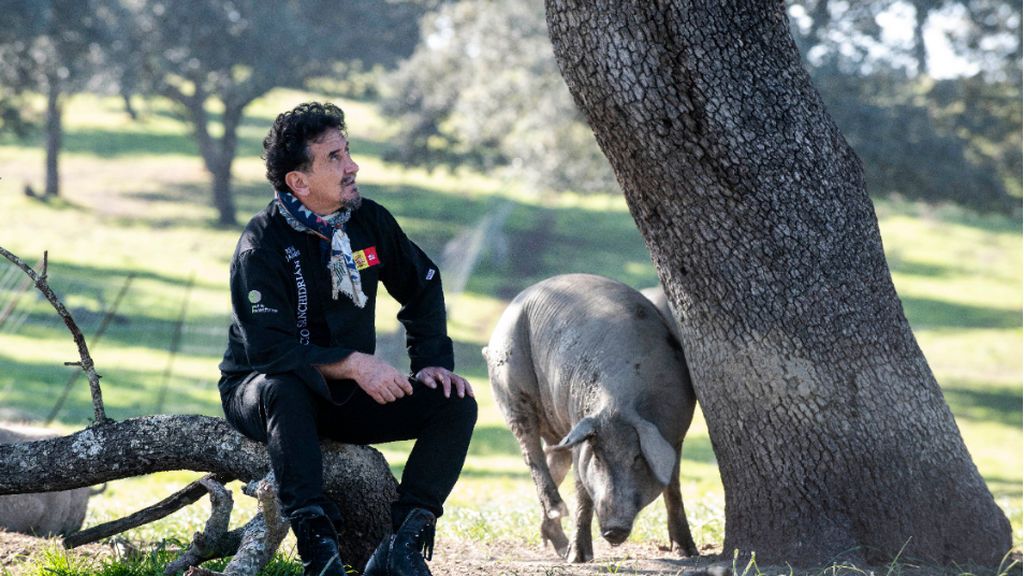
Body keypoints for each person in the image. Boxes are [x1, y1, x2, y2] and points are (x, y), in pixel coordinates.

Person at [218, 101, 477, 576]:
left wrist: (431, 362)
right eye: (334, 158)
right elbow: (270, 352)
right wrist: (356, 363)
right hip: (262, 392)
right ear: (298, 181)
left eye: (348, 151)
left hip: (344, 394)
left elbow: (422, 283)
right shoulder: (262, 244)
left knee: (454, 401)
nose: (352, 166)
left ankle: (401, 547)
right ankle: (319, 551)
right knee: (284, 387)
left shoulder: (368, 222)